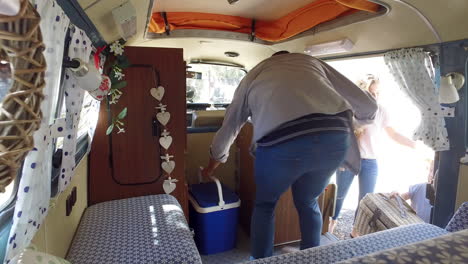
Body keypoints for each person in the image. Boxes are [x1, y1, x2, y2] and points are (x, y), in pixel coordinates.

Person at [201, 51, 377, 259]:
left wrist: (213, 164)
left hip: (280, 142)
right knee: (308, 201)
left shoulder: (254, 74)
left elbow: (230, 125)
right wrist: (347, 126)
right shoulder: (312, 62)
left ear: (271, 59)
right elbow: (368, 107)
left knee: (265, 205)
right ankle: (311, 257)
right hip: (333, 139)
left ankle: (261, 260)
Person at [329, 74, 417, 237]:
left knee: (365, 200)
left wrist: (413, 144)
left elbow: (393, 134)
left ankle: (356, 231)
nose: (375, 97)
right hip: (348, 161)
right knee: (339, 196)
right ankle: (330, 224)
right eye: (371, 93)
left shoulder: (382, 111)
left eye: (377, 93)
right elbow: (339, 135)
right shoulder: (349, 108)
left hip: (370, 162)